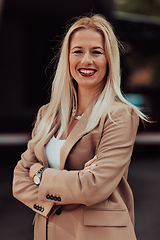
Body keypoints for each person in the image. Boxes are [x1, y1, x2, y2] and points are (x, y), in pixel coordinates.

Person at [13, 14, 147, 240]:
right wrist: (71, 184)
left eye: (96, 52)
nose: (86, 60)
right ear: (67, 58)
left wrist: (39, 175)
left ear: (109, 60)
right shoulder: (47, 114)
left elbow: (94, 186)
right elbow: (18, 180)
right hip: (47, 232)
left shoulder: (120, 115)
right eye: (78, 51)